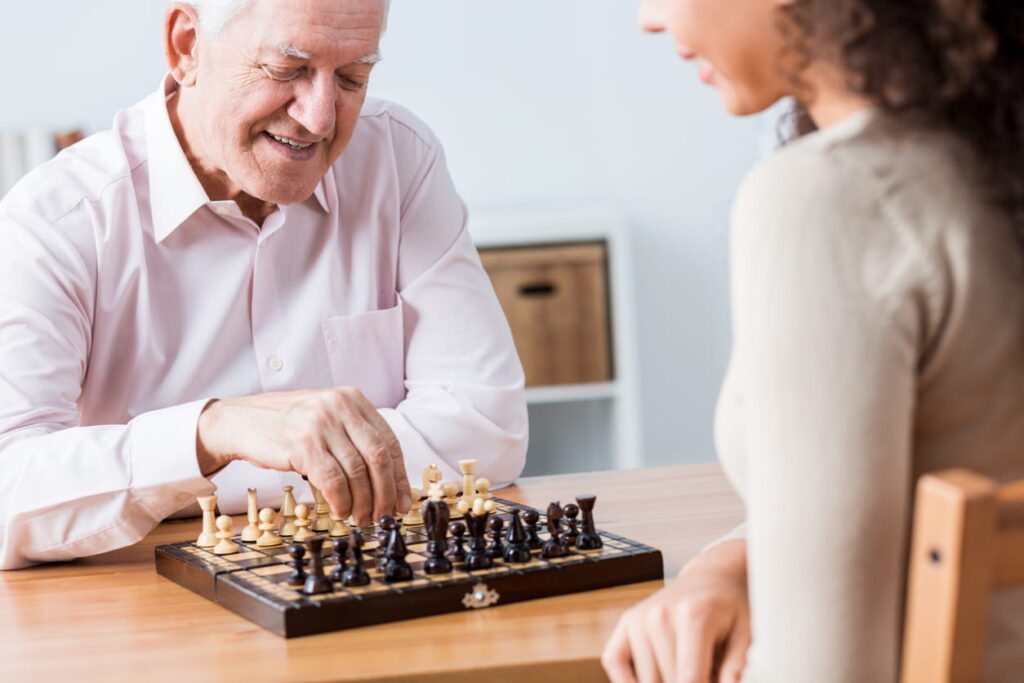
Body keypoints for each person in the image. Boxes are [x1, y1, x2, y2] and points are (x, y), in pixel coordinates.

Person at [0, 0, 527, 570]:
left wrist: (160, 486)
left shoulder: (400, 158)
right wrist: (213, 431)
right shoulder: (57, 222)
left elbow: (485, 435)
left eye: (352, 77)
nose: (321, 118)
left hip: (365, 586)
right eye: (286, 69)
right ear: (186, 46)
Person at [603, 0, 1024, 681]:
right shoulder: (989, 157)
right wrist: (732, 562)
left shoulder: (833, 197)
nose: (648, 18)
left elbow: (825, 671)